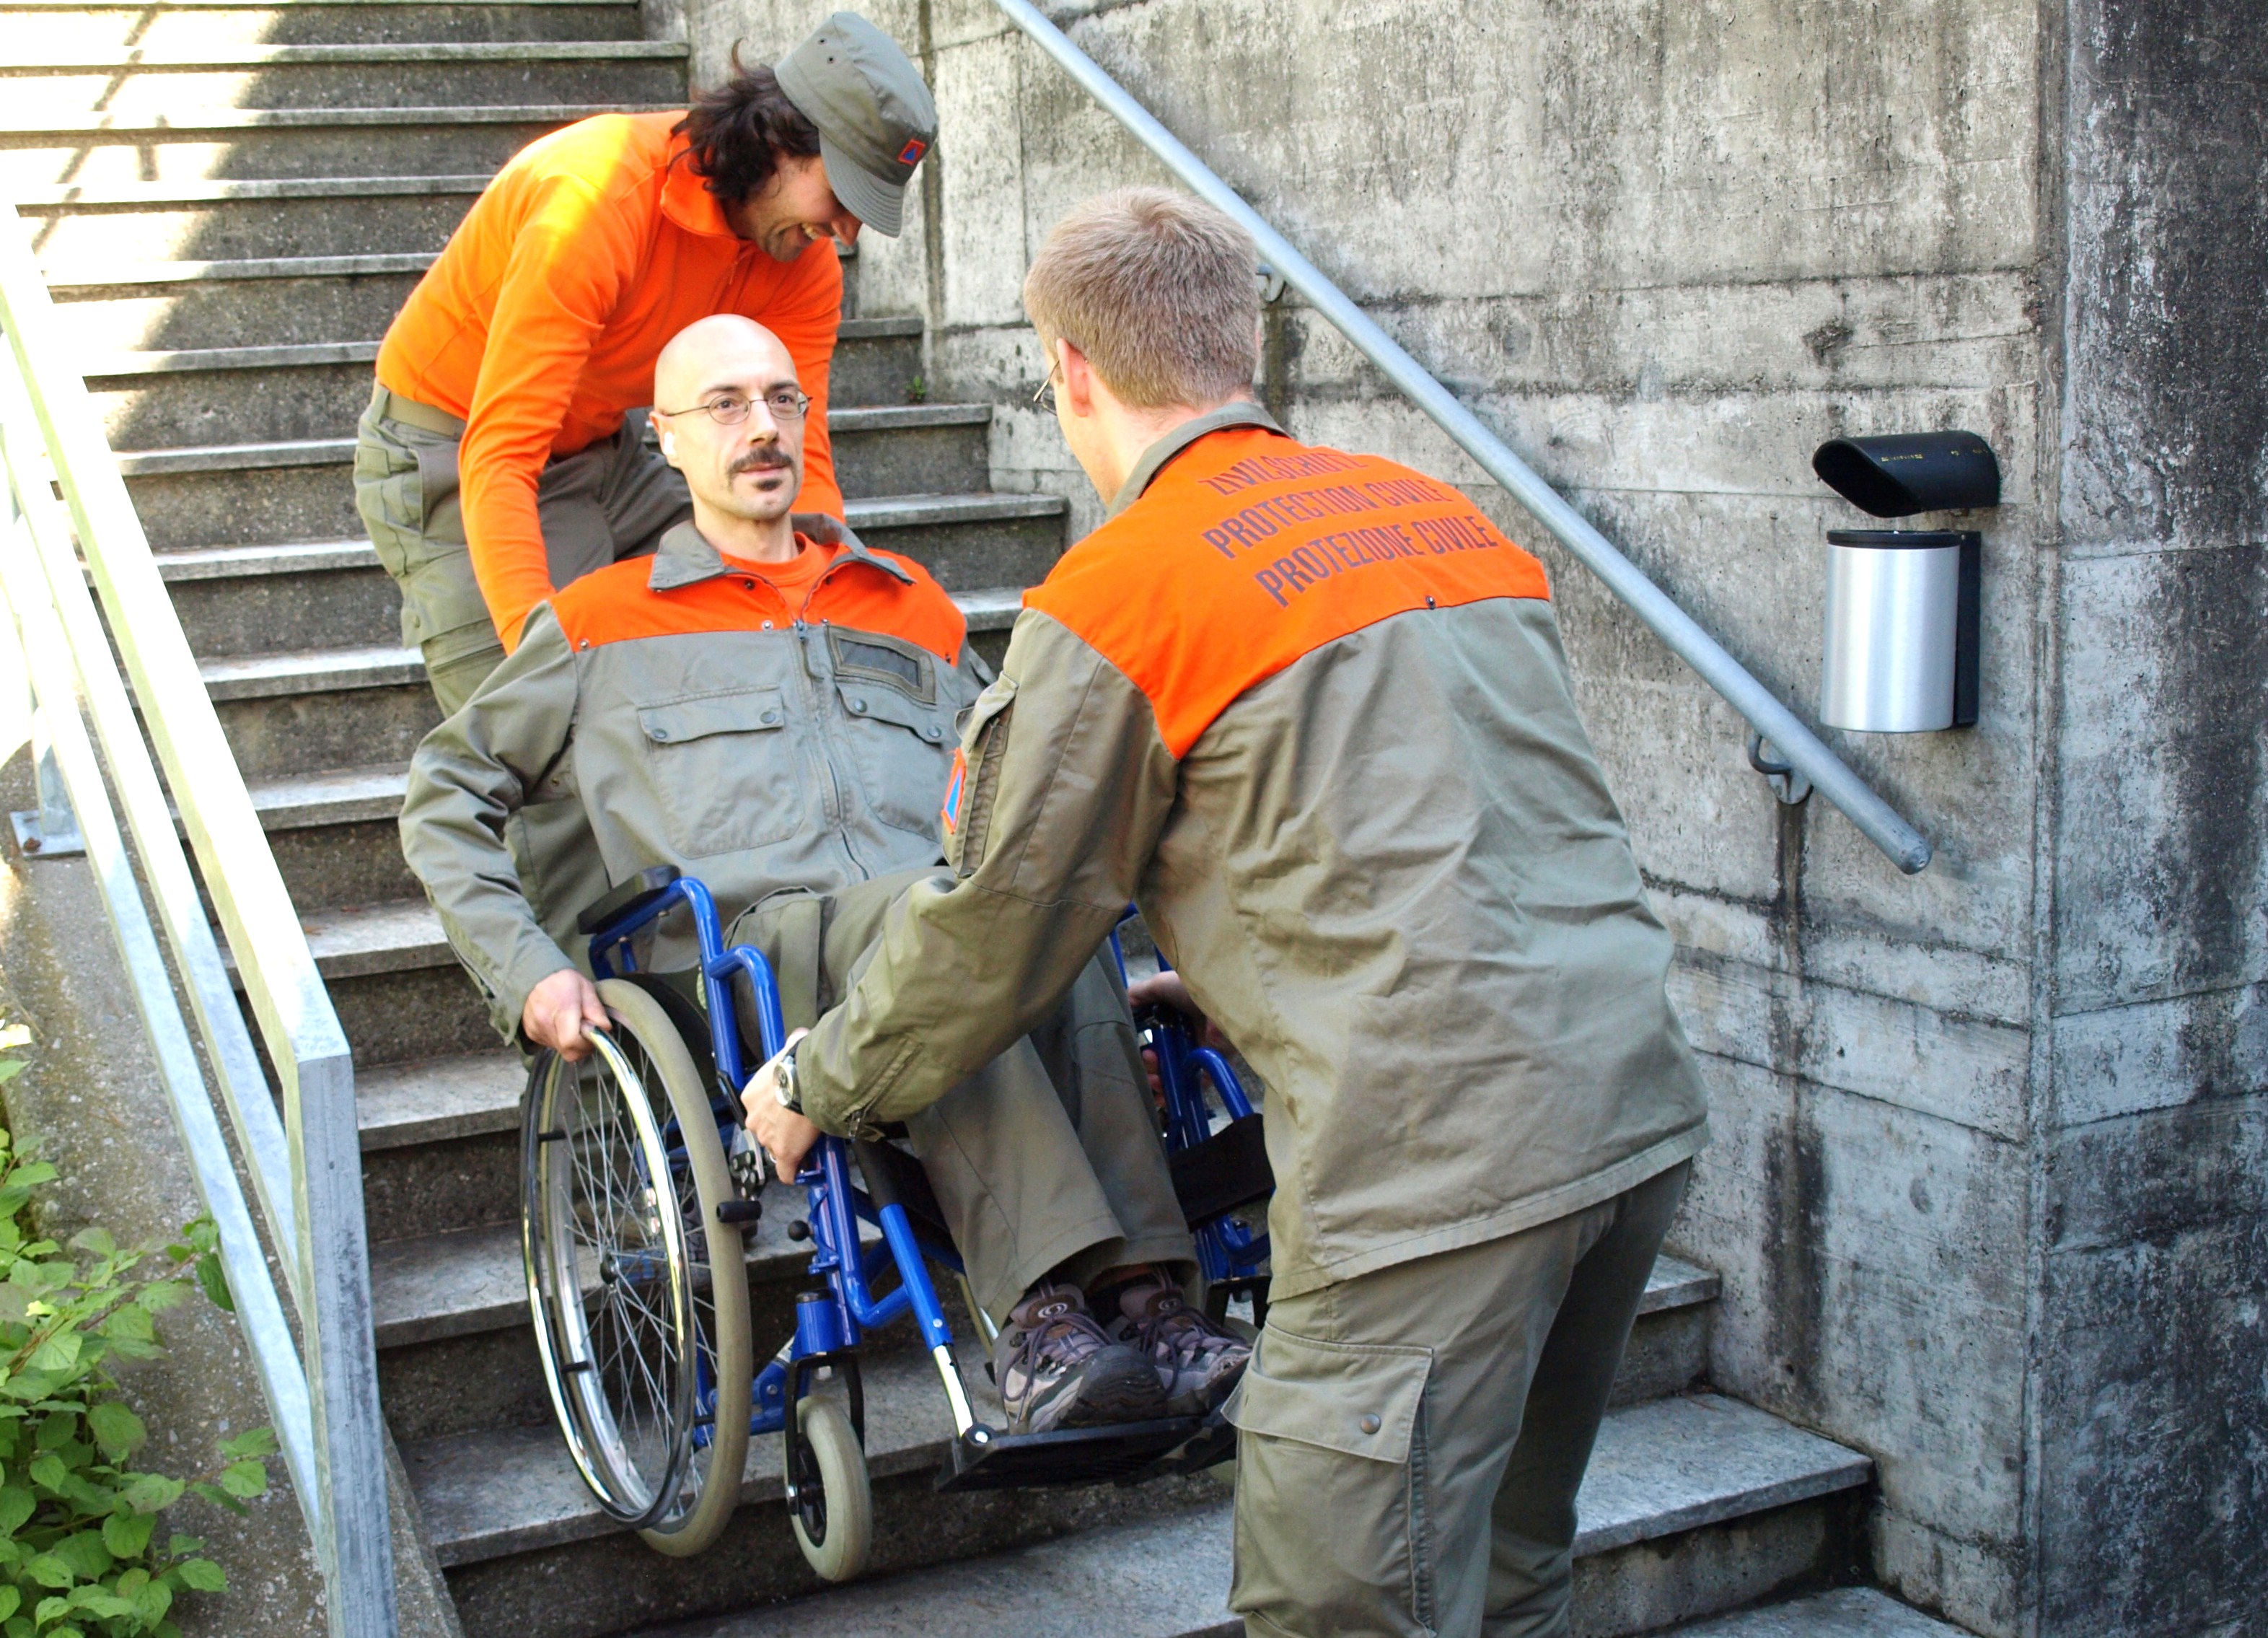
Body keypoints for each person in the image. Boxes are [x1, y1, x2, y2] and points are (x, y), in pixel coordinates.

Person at [740, 189, 1712, 1638]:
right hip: (1627, 1110)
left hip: (1429, 1173)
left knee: (1337, 1604)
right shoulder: (1439, 516)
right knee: (1508, 1573)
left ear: (1070, 370)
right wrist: (1228, 970)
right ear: (1239, 340)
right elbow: (1462, 814)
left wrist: (816, 1080)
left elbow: (992, 925)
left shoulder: (1124, 593)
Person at [397, 312, 1250, 1438]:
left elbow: (1033, 803)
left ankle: (1149, 1306)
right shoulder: (599, 625)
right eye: (725, 404)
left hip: (935, 928)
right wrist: (528, 971)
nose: (762, 427)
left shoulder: (911, 607)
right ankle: (1041, 1319)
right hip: (751, 963)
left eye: (781, 399)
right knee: (945, 927)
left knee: (1036, 904)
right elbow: (443, 796)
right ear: (666, 439)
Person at [357, 12, 935, 714]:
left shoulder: (802, 262)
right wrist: (539, 669)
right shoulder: (595, 197)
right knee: (545, 736)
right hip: (451, 445)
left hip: (604, 445)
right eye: (843, 193)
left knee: (746, 643)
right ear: (778, 139)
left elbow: (800, 458)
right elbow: (501, 453)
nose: (847, 231)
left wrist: (825, 607)